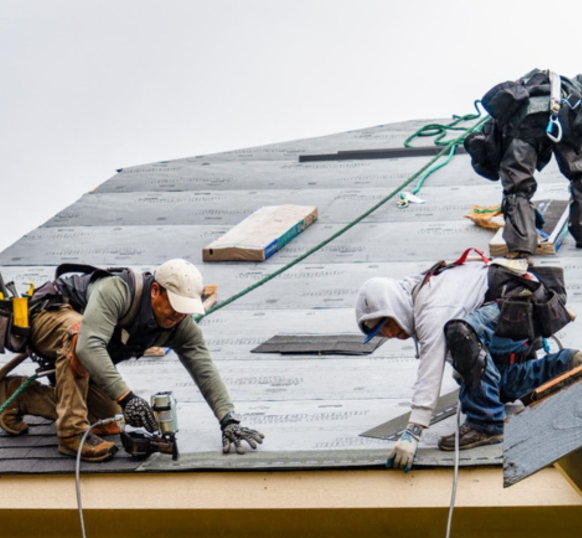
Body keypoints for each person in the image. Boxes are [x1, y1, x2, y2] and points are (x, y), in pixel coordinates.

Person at [0, 259, 264, 462]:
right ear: (156, 291)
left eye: (185, 310)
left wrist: (228, 420)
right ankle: (71, 435)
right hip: (50, 316)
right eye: (174, 306)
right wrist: (128, 398)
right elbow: (89, 346)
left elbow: (203, 366)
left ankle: (16, 395)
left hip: (78, 357)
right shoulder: (118, 291)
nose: (178, 315)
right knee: (80, 334)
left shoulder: (179, 323)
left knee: (110, 420)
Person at [355, 255, 581, 472]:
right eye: (380, 332)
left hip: (521, 306)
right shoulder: (414, 291)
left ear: (395, 306)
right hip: (518, 311)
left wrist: (413, 431)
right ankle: (564, 366)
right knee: (495, 387)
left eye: (387, 323)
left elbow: (430, 369)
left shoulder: (432, 308)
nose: (389, 334)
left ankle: (486, 423)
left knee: (459, 333)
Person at [464, 69, 582, 256]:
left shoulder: (512, 105)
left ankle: (521, 246)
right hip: (563, 116)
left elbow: (510, 175)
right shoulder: (570, 90)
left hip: (524, 125)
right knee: (579, 174)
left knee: (517, 187)